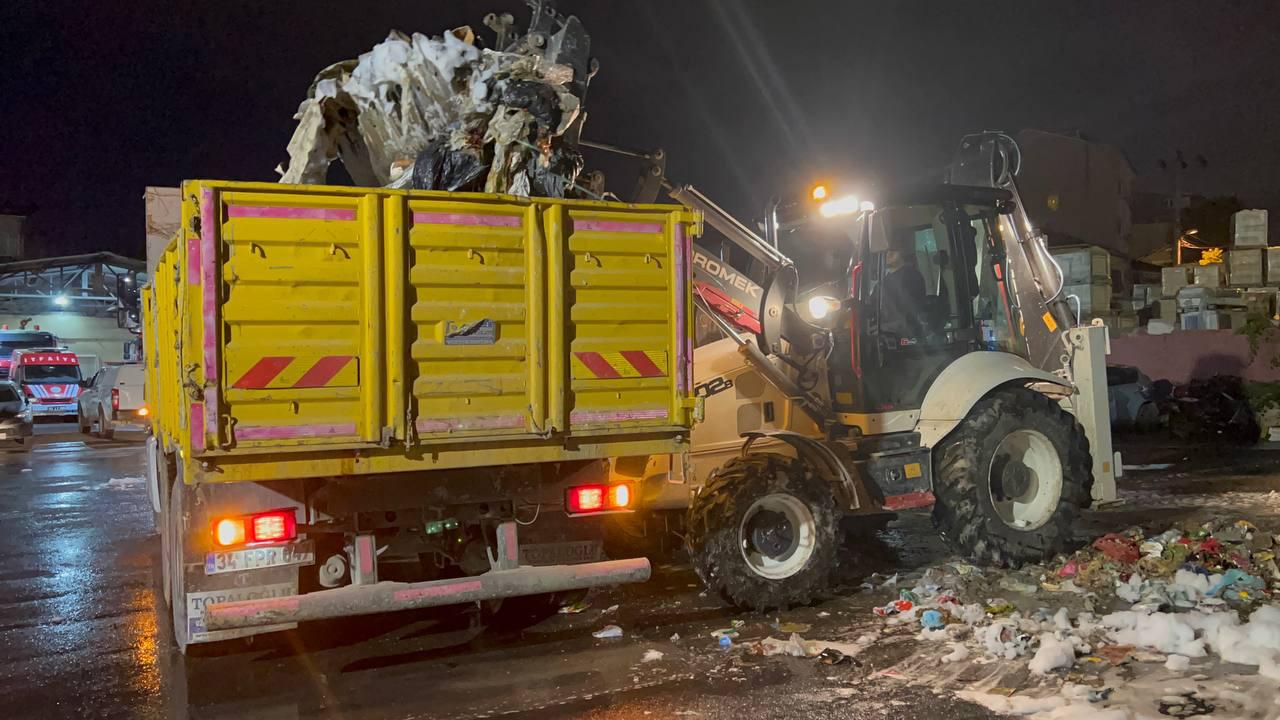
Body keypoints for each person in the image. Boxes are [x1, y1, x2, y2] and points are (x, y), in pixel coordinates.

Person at [876, 245, 927, 340]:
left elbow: (909, 311)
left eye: (894, 249)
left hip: (904, 337)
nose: (888, 254)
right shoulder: (885, 280)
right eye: (886, 251)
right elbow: (872, 306)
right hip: (887, 335)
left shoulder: (911, 276)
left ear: (903, 252)